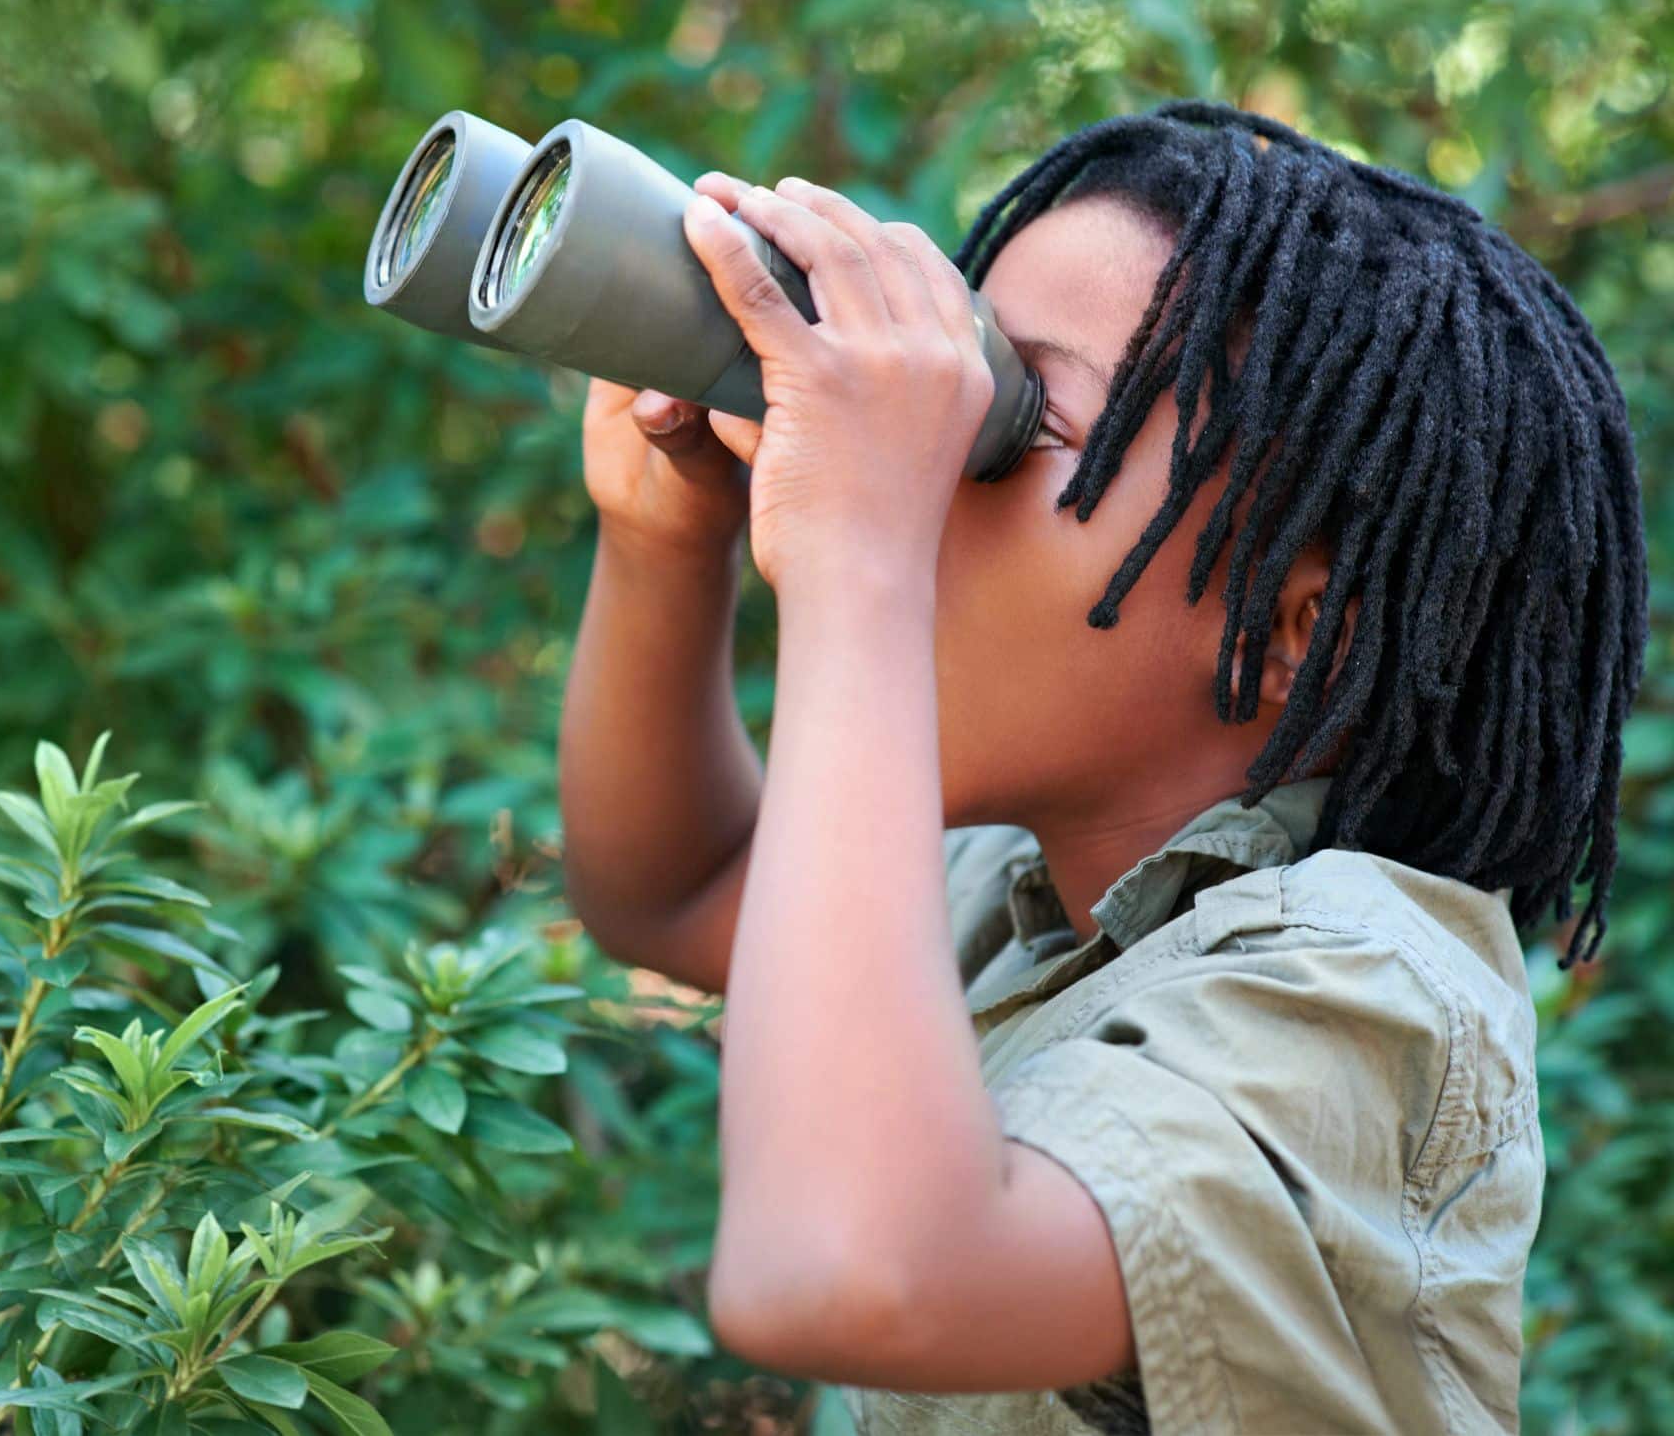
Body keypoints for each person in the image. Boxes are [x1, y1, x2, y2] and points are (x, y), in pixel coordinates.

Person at [555, 99, 1647, 1435]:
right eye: (950, 386)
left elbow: (847, 1274)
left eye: (1010, 421)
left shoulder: (1366, 988)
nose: (928, 470)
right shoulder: (1034, 895)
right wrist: (664, 538)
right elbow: (676, 887)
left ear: (1293, 633)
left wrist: (862, 558)